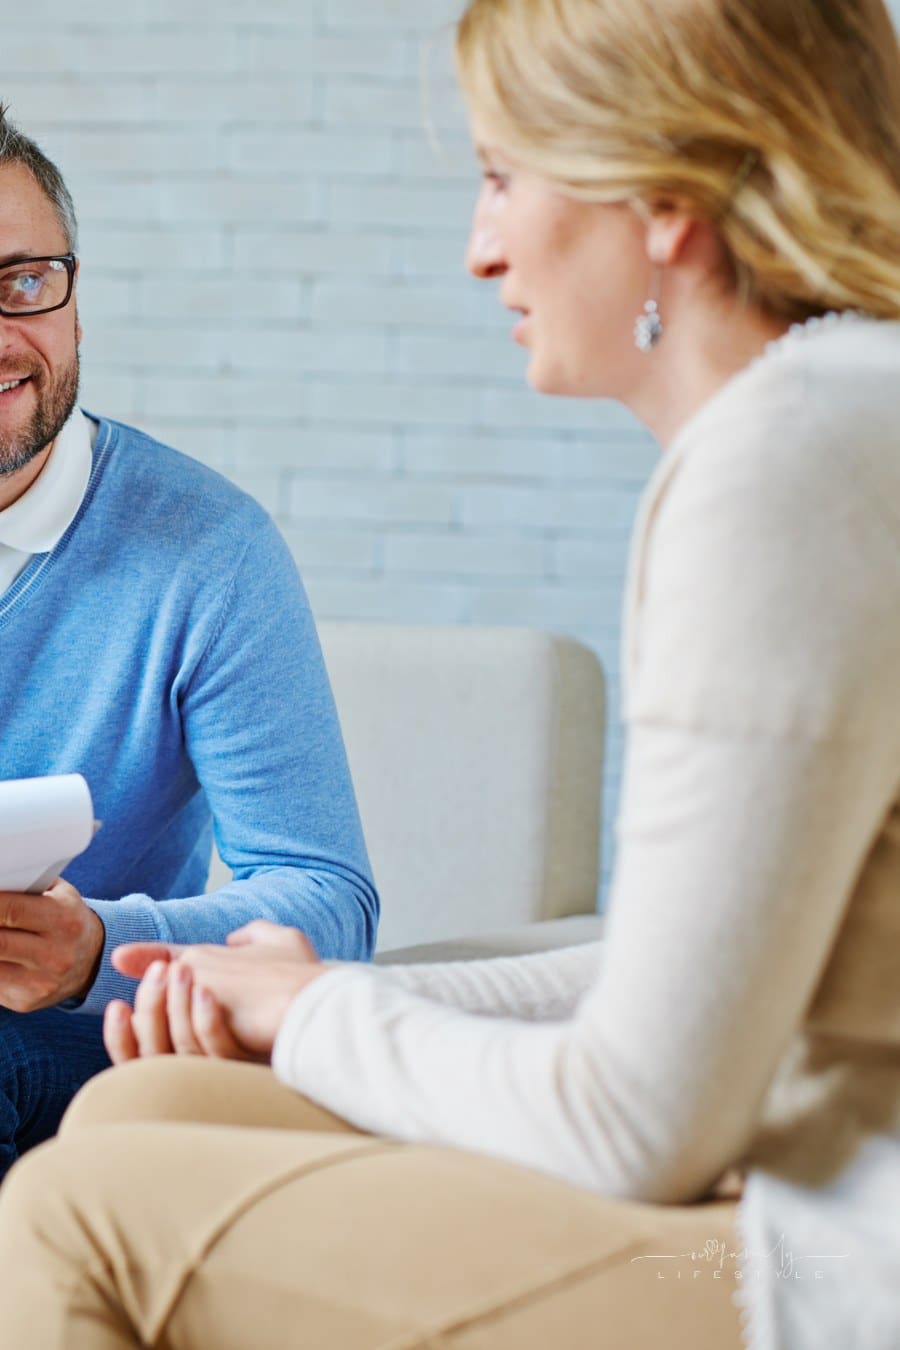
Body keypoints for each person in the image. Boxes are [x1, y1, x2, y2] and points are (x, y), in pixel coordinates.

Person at [1, 0, 900, 1345]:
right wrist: (315, 1001)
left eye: (500, 177)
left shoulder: (780, 469)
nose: (479, 250)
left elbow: (638, 1112)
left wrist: (297, 1001)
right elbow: (669, 971)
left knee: (87, 1202)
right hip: (771, 1148)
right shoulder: (826, 419)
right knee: (147, 1107)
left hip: (824, 1248)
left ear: (661, 192)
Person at [0, 113, 378, 1178]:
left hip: (72, 1038)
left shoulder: (206, 550)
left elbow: (327, 901)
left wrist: (94, 952)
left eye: (24, 282)